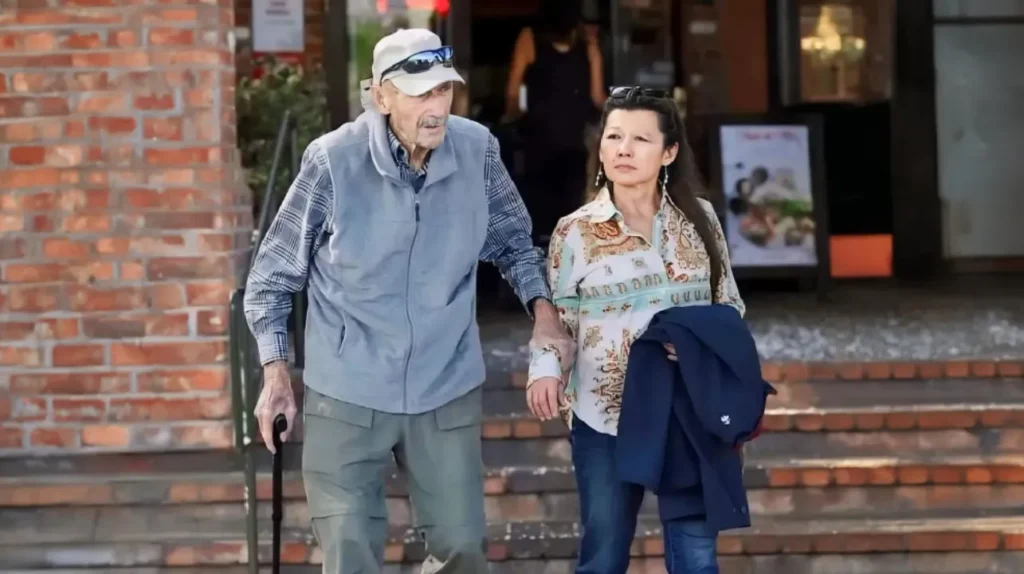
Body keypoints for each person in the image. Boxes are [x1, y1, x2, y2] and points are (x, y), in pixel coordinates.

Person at [244, 28, 574, 574]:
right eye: (420, 92)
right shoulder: (331, 162)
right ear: (380, 96)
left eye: (444, 90)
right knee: (350, 555)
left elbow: (516, 244)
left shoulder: (477, 149)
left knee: (463, 550)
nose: (436, 105)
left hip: (444, 383)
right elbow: (272, 278)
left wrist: (545, 315)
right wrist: (275, 375)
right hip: (347, 389)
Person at [525, 87, 745, 573]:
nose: (624, 149)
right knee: (603, 556)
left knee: (696, 558)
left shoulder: (700, 221)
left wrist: (696, 347)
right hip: (606, 418)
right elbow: (557, 322)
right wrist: (544, 370)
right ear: (600, 148)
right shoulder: (574, 232)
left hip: (688, 413)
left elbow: (728, 305)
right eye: (614, 136)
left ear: (668, 153)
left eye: (641, 139)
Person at [505, 0, 606, 244]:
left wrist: (512, 117)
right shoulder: (588, 45)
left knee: (538, 225)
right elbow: (597, 98)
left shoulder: (530, 39)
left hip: (538, 146)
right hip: (574, 147)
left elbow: (512, 94)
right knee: (570, 225)